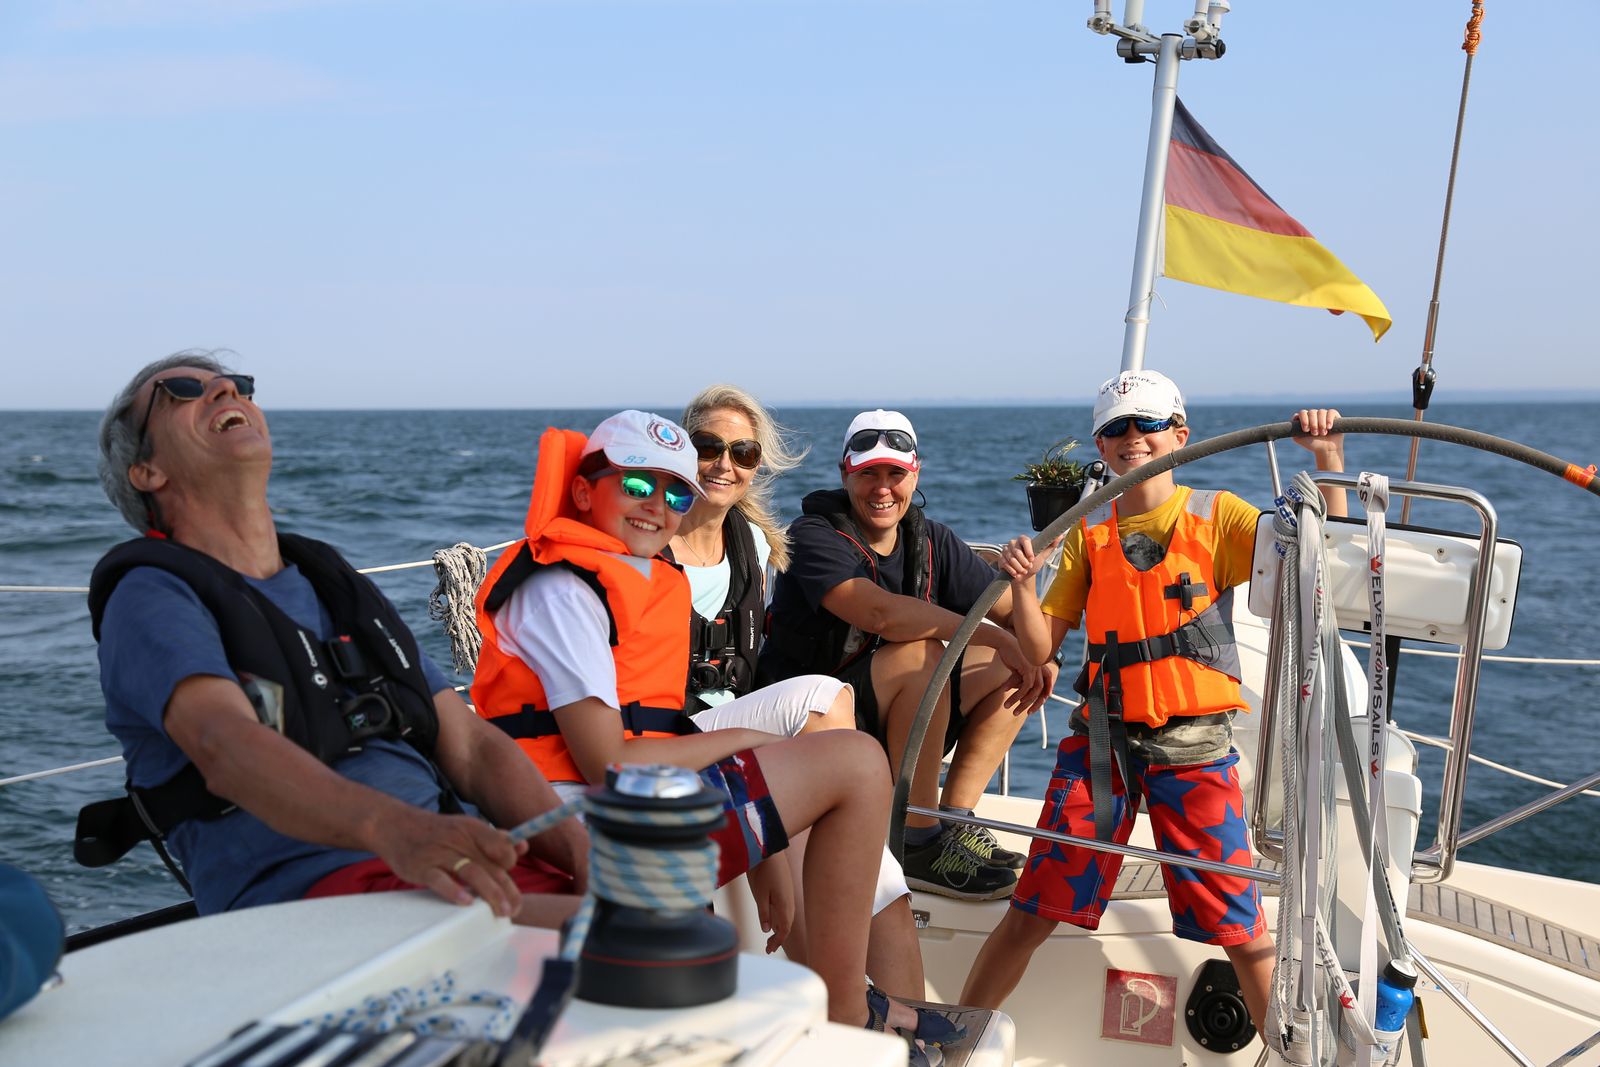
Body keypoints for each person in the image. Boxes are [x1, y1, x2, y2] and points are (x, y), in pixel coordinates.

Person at [469, 410, 950, 1062]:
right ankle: (845, 1012)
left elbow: (654, 729)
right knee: (853, 762)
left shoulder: (633, 578)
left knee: (850, 761)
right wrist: (746, 741)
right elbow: (610, 761)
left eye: (675, 494)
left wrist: (765, 841)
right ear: (583, 491)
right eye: (636, 485)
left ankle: (845, 1005)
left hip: (645, 802)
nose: (657, 506)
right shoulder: (562, 591)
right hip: (583, 820)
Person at [89, 352, 587, 926]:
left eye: (238, 385)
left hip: (455, 863)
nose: (227, 390)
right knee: (636, 944)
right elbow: (225, 747)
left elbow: (472, 749)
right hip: (316, 895)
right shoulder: (151, 595)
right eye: (179, 390)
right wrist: (399, 831)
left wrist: (582, 854)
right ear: (147, 471)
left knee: (651, 907)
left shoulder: (330, 583)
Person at [958, 369, 1346, 1034]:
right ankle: (955, 1038)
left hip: (1194, 746)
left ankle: (1287, 1051)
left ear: (1180, 434)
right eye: (1117, 427)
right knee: (1032, 911)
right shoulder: (1088, 532)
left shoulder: (1219, 515)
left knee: (1241, 929)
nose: (1133, 436)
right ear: (1100, 446)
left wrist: (1329, 458)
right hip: (1101, 744)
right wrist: (1022, 584)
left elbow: (1322, 558)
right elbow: (1041, 645)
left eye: (1149, 423)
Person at [668, 385, 938, 1015]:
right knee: (821, 700)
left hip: (736, 720)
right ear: (681, 450)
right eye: (708, 447)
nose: (724, 464)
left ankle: (908, 1027)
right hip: (676, 731)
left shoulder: (754, 545)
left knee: (882, 875)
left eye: (743, 452)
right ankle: (846, 1008)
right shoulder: (653, 536)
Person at [759, 410, 1056, 901]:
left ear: (915, 475)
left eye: (895, 474)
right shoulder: (812, 536)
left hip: (887, 713)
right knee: (923, 651)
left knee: (1017, 667)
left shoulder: (932, 540)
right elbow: (881, 614)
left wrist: (1024, 588)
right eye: (868, 474)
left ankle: (952, 822)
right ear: (844, 474)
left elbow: (1027, 636)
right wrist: (995, 637)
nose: (883, 489)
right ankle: (916, 840)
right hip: (810, 727)